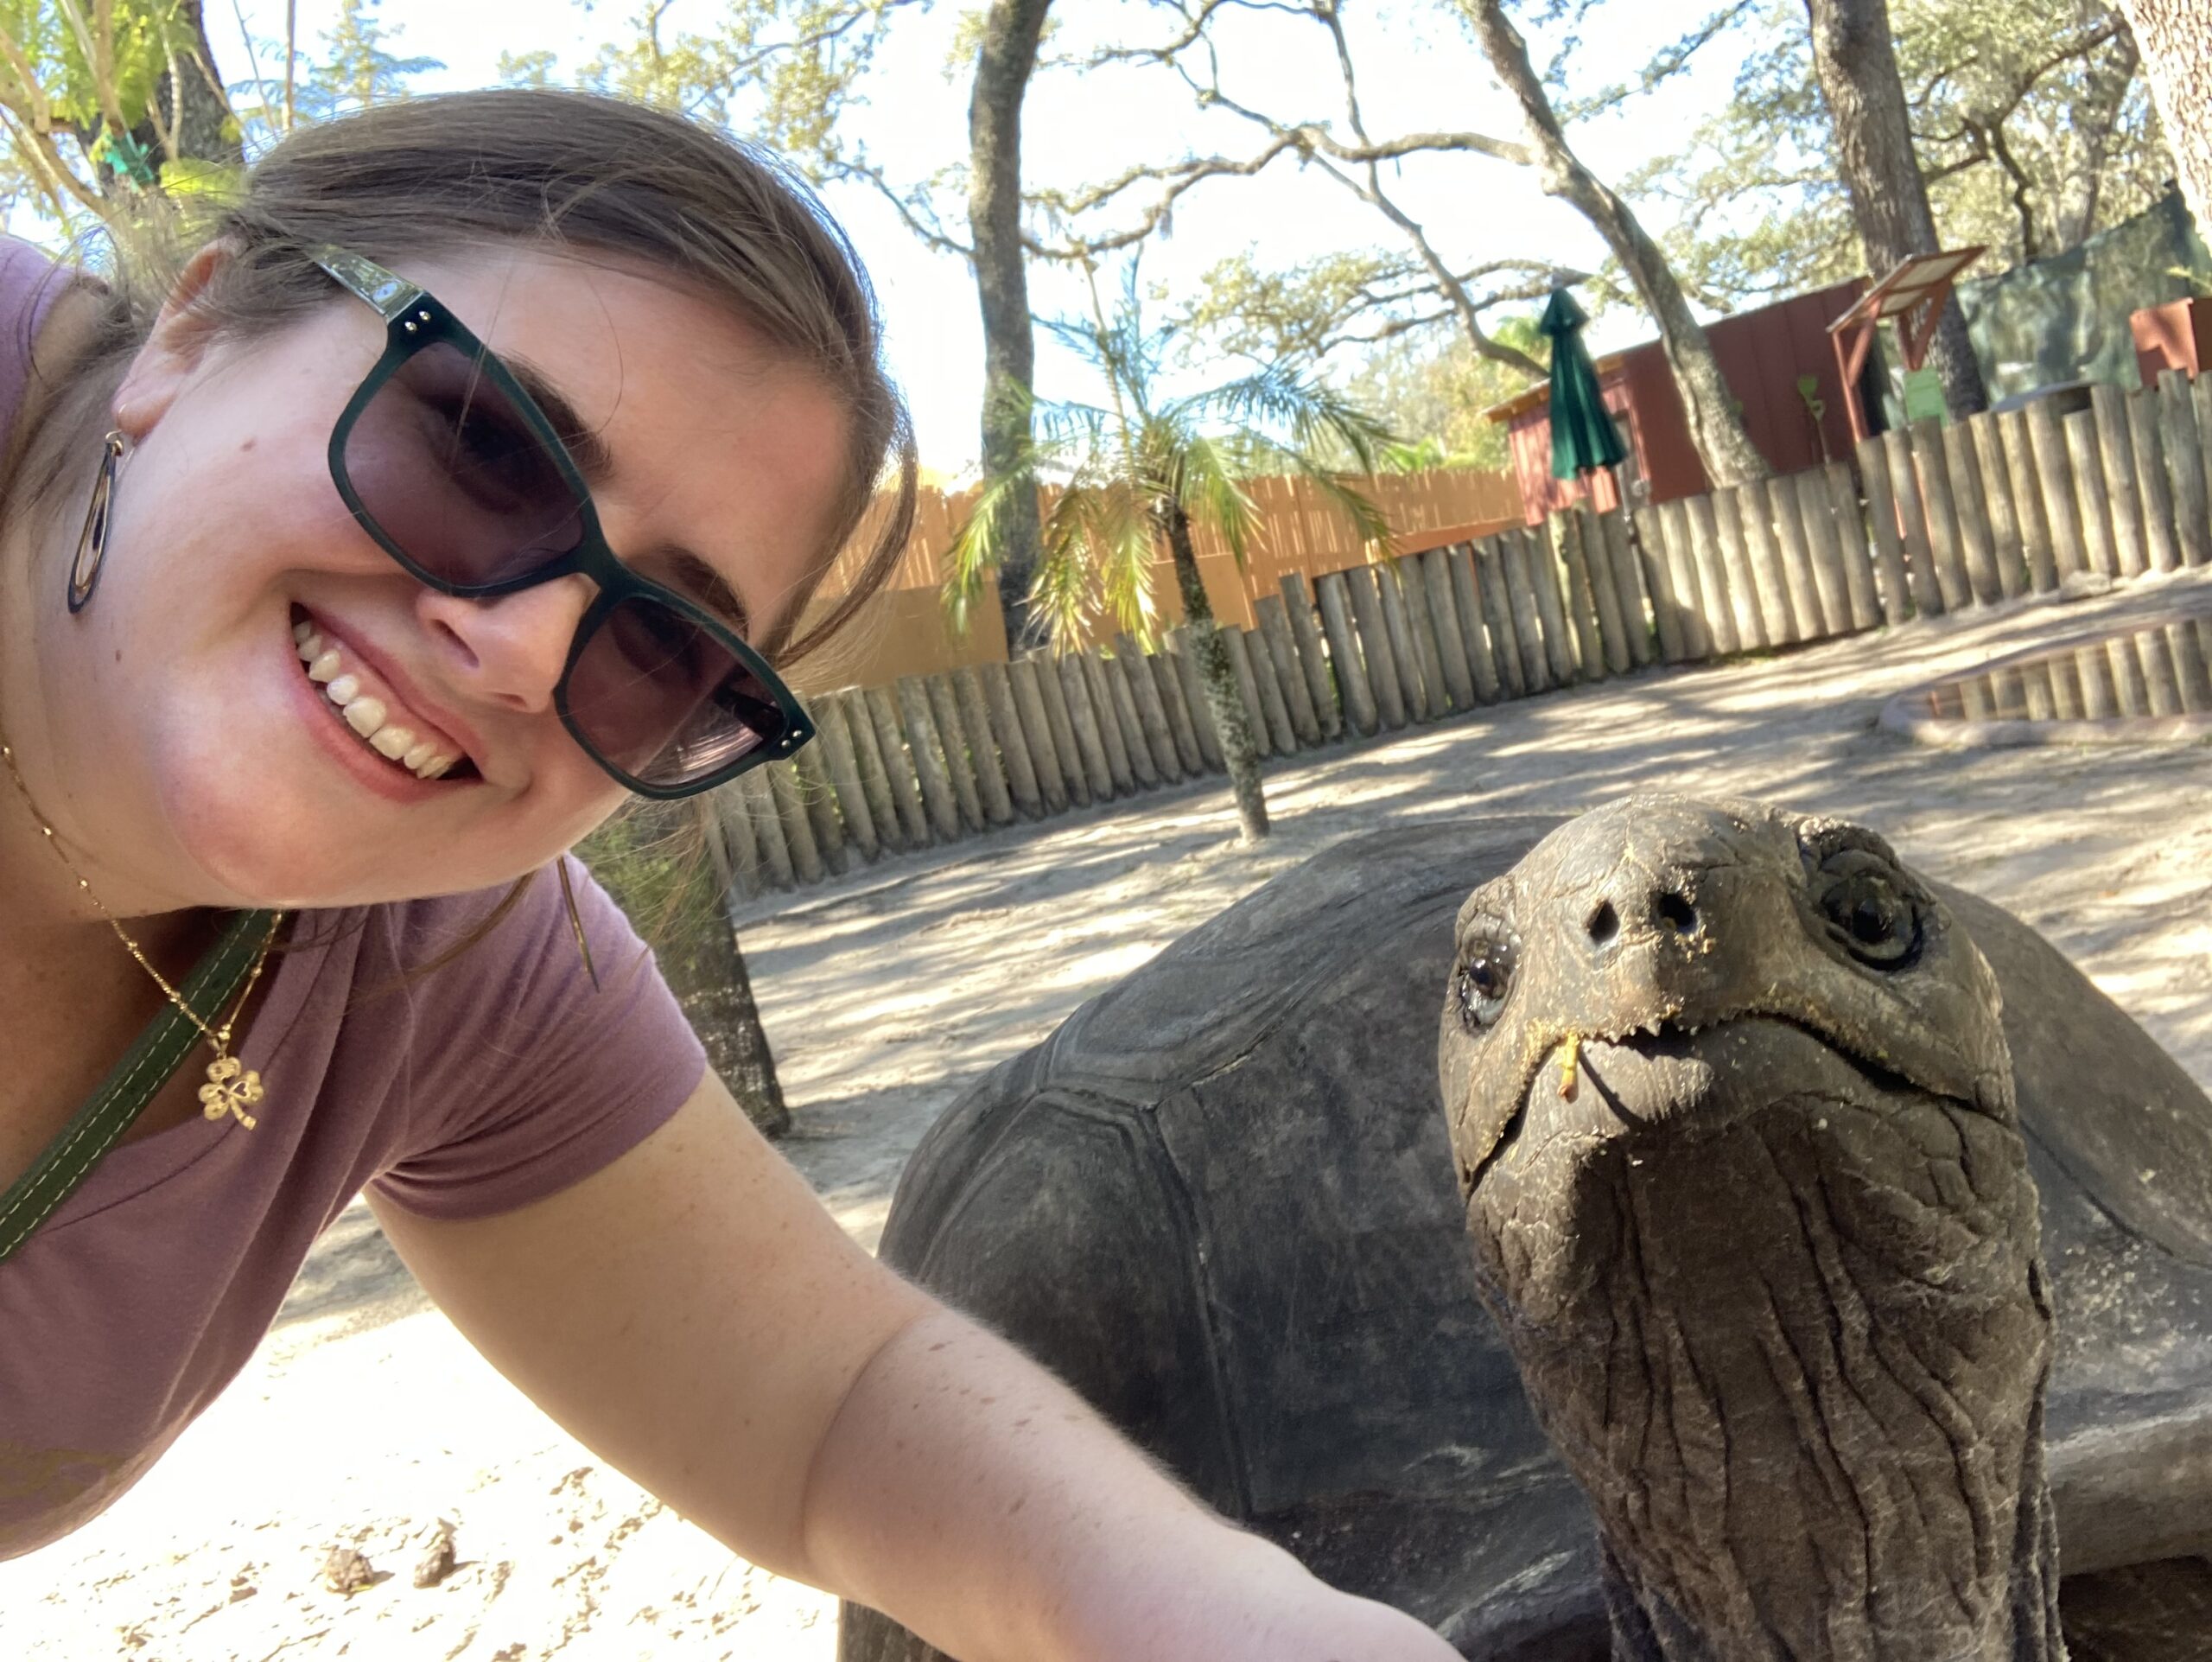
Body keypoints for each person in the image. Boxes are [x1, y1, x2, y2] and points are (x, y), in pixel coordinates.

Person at [0, 89, 1459, 1660]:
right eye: (480, 446)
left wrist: (1262, 1630)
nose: (525, 648)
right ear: (195, 331)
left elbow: (829, 1410)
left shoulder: (443, 951)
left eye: (657, 646)